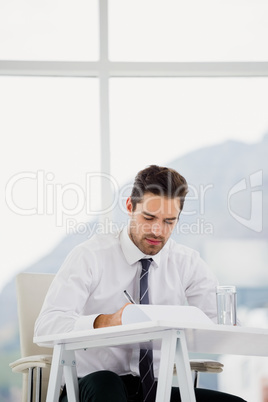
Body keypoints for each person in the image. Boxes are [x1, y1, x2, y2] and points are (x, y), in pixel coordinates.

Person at [35, 165, 246, 402]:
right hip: (91, 388)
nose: (158, 230)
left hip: (155, 389)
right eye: (149, 218)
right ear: (129, 207)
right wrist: (104, 322)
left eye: (169, 221)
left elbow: (224, 325)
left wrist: (219, 326)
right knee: (107, 384)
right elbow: (46, 326)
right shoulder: (90, 255)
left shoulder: (186, 262)